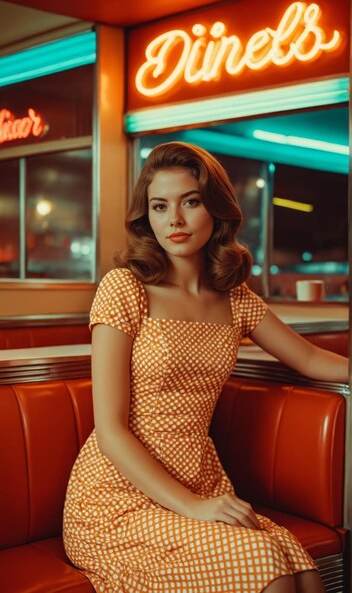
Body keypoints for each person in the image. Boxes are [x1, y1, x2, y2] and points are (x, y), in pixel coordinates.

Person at [63, 142, 348, 593]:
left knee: (302, 568)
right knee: (264, 565)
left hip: (200, 475)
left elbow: (309, 358)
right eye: (160, 206)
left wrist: (199, 499)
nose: (173, 220)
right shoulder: (124, 289)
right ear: (147, 216)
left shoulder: (235, 299)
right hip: (115, 498)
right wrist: (192, 505)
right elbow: (111, 429)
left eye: (190, 202)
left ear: (215, 209)